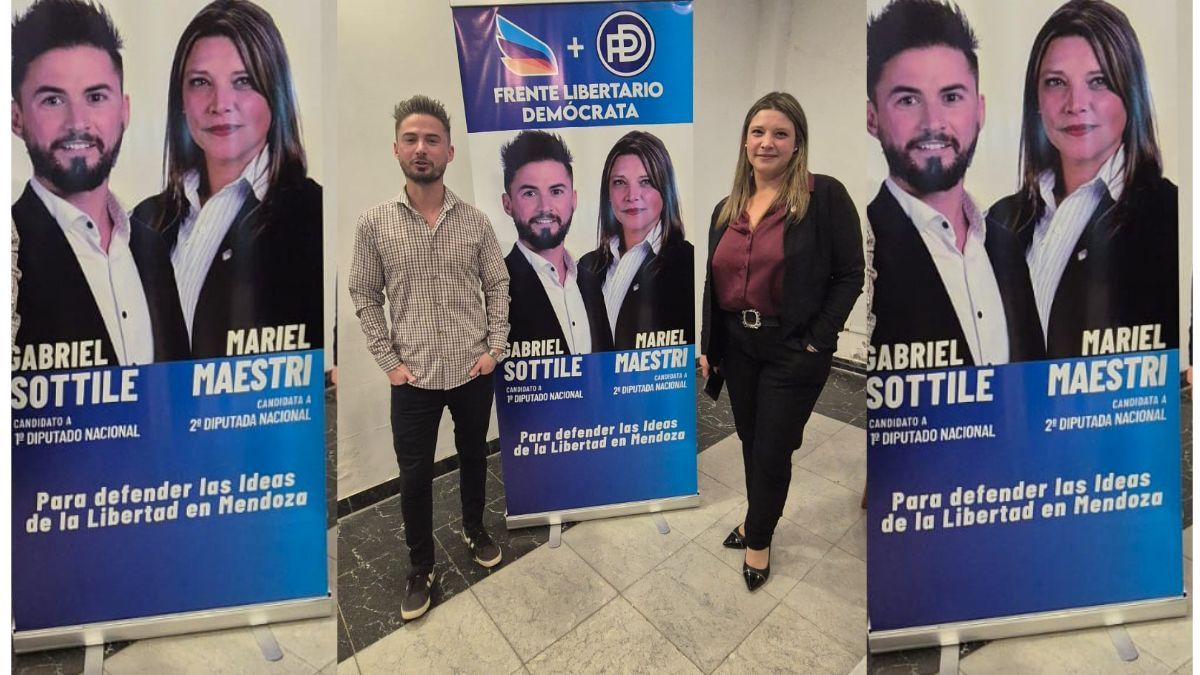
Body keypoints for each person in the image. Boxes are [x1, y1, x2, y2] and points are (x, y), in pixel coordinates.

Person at [348, 95, 510, 621]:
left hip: (471, 370)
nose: (422, 148)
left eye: (432, 139)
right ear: (396, 149)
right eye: (411, 139)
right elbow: (364, 293)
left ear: (449, 152)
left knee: (473, 457)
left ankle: (474, 528)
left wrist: (495, 349)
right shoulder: (374, 224)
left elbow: (498, 284)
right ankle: (421, 566)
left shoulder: (476, 223)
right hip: (413, 379)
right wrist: (389, 362)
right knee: (414, 476)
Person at [699, 92, 864, 591]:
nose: (766, 142)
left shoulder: (824, 197)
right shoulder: (727, 208)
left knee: (772, 450)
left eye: (780, 133)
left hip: (792, 349)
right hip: (738, 346)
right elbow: (713, 282)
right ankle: (757, 517)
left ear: (797, 144)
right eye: (758, 132)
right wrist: (710, 345)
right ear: (745, 141)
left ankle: (758, 539)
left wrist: (818, 339)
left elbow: (850, 274)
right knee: (751, 441)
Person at [131, 0, 323, 359]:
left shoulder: (315, 216)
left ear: (275, 93)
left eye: (243, 81)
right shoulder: (143, 223)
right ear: (180, 99)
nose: (220, 104)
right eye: (200, 82)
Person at [987, 0, 1177, 358]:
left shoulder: (1174, 218)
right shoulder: (999, 222)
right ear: (1035, 99)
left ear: (1131, 93)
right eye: (1056, 82)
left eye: (1098, 81)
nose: (1075, 104)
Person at [866, 0, 1044, 370]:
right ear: (873, 117)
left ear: (979, 111)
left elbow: (1032, 382)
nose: (933, 122)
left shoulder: (1007, 249)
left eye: (951, 97)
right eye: (908, 99)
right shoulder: (865, 243)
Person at [12, 0, 189, 367]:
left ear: (123, 111)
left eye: (96, 97)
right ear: (17, 118)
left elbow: (177, 390)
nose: (77, 122)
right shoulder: (9, 250)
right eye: (52, 100)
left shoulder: (152, 250)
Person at [581, 130, 694, 351]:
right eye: (619, 182)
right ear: (607, 193)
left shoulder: (687, 263)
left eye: (646, 181)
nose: (632, 195)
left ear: (665, 189)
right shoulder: (585, 268)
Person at [500, 130, 610, 355]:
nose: (545, 207)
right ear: (507, 203)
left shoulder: (590, 283)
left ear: (573, 199)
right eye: (530, 193)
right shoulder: (497, 285)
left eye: (556, 191)